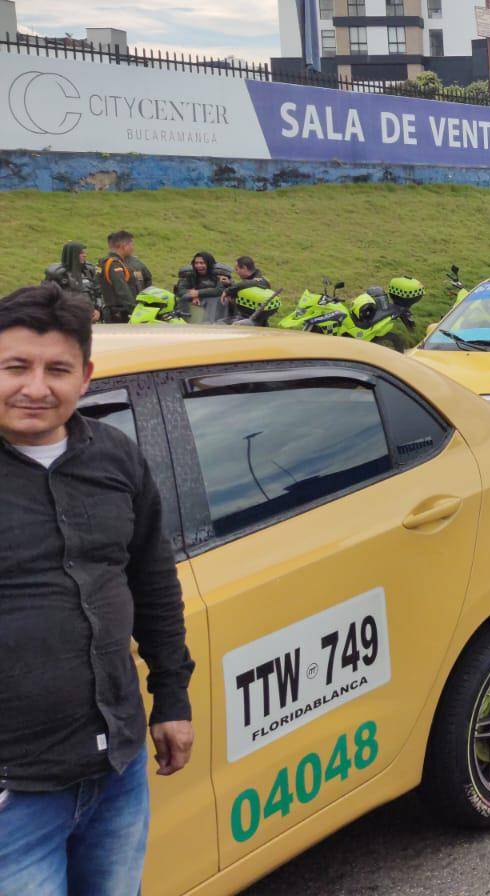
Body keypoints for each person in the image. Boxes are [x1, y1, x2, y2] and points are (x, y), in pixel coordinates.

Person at [0, 284, 195, 893]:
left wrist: (173, 699)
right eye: (15, 367)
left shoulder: (117, 459)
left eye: (56, 369)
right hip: (15, 794)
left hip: (118, 767)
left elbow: (153, 583)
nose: (36, 387)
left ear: (84, 377)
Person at [44, 242, 102, 322]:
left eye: (85, 253)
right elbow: (47, 297)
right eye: (81, 253)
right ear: (72, 255)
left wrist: (97, 310)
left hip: (89, 318)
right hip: (66, 319)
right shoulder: (57, 273)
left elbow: (97, 292)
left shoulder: (88, 271)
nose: (85, 255)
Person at [96, 231, 140, 324]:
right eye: (131, 244)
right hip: (120, 314)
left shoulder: (104, 262)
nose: (132, 248)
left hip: (112, 311)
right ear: (123, 245)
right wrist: (135, 310)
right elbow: (121, 289)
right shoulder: (114, 264)